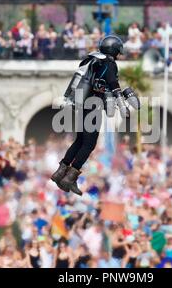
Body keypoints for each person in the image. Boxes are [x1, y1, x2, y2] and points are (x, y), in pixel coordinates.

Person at [50, 35, 132, 196]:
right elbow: (114, 85)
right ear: (114, 49)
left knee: (80, 140)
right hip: (93, 105)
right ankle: (69, 178)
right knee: (89, 144)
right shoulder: (109, 63)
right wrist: (123, 106)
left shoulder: (92, 60)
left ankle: (60, 172)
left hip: (83, 104)